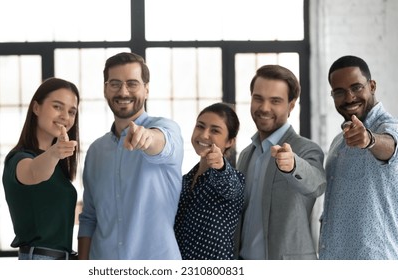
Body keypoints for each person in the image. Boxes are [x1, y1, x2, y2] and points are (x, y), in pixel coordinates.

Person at [78, 52, 184, 260]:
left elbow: (163, 143)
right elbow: (90, 217)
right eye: (115, 84)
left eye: (132, 83)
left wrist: (147, 138)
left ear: (146, 89)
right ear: (105, 89)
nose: (123, 91)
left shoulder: (166, 128)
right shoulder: (96, 151)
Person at [235, 64, 326, 260]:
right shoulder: (245, 155)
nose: (264, 108)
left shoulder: (305, 149)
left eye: (275, 101)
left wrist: (293, 165)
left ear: (291, 105)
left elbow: (316, 184)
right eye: (258, 98)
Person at [318, 55, 398, 260]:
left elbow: (390, 146)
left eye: (356, 87)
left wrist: (370, 140)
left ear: (372, 86)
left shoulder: (389, 129)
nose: (349, 97)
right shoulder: (338, 142)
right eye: (339, 92)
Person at [2, 77, 80, 260]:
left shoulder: (59, 167)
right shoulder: (19, 158)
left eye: (72, 111)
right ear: (36, 108)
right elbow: (34, 172)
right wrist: (54, 153)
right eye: (57, 107)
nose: (65, 117)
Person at [174, 102, 245, 260]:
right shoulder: (184, 181)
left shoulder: (234, 178)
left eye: (215, 130)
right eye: (200, 126)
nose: (204, 135)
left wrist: (220, 166)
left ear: (229, 142)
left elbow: (230, 187)